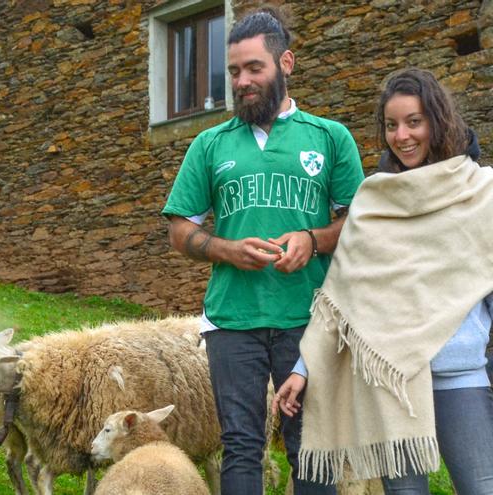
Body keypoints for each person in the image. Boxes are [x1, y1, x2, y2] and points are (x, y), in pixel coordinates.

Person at [161, 7, 365, 495]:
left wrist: (313, 239)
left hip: (309, 317)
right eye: (234, 71)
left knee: (311, 446)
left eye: (255, 68)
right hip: (232, 321)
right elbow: (179, 231)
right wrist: (227, 249)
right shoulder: (209, 145)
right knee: (241, 445)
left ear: (286, 63)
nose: (243, 81)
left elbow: (359, 223)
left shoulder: (330, 138)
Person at [274, 68, 493, 495]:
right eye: (391, 125)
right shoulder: (375, 199)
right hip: (390, 378)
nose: (402, 136)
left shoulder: (481, 192)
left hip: (460, 372)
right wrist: (304, 369)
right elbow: (344, 293)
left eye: (414, 121)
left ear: (438, 119)